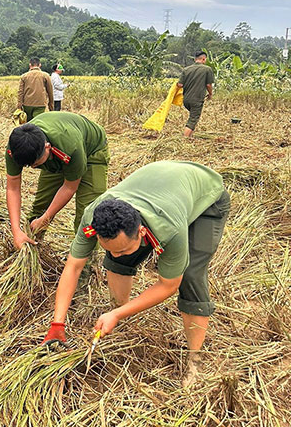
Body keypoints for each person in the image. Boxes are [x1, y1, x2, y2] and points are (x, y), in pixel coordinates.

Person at [42, 161, 229, 387]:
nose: (118, 254)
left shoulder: (169, 228)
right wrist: (57, 323)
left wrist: (118, 314)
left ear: (142, 231)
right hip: (162, 184)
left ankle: (195, 362)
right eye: (108, 246)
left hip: (206, 197)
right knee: (117, 260)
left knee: (190, 275)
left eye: (123, 248)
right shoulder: (94, 216)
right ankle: (120, 320)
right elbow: (73, 266)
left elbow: (168, 285)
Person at [6, 112, 108, 249]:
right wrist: (16, 231)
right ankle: (29, 249)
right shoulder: (17, 147)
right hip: (56, 153)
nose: (33, 168)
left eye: (36, 164)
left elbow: (70, 187)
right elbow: (12, 188)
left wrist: (46, 218)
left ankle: (85, 265)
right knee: (40, 208)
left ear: (47, 147)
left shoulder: (70, 146)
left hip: (92, 152)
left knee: (88, 216)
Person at [177, 51, 214, 137]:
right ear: (204, 59)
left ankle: (189, 136)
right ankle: (184, 140)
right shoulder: (207, 69)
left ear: (195, 59)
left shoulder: (186, 70)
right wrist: (210, 94)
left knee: (193, 116)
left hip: (186, 100)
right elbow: (208, 85)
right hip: (196, 99)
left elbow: (179, 85)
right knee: (193, 120)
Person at [17, 57, 54, 122]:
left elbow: (20, 92)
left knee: (28, 123)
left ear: (30, 65)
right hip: (40, 104)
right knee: (38, 122)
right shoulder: (45, 75)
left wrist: (19, 106)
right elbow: (50, 91)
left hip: (27, 104)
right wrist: (51, 104)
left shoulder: (24, 76)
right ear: (40, 65)